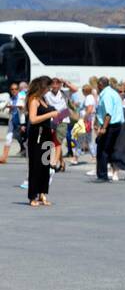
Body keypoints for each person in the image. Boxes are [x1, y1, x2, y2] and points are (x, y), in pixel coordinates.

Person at [25, 76, 61, 207]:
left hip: (46, 134)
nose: (49, 90)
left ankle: (42, 194)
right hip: (37, 135)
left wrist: (59, 116)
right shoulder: (34, 100)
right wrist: (50, 115)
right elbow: (33, 119)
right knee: (36, 166)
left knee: (45, 166)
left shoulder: (43, 99)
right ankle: (32, 196)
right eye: (48, 87)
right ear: (42, 86)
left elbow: (49, 116)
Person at [93, 77, 125, 182]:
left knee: (102, 150)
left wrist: (104, 128)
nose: (97, 87)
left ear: (101, 85)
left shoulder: (106, 95)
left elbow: (108, 113)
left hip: (110, 125)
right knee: (107, 149)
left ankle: (102, 176)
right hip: (115, 125)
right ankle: (106, 172)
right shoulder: (112, 92)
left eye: (98, 85)